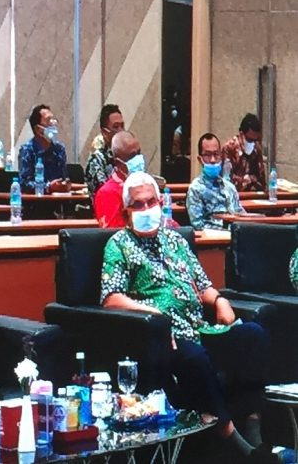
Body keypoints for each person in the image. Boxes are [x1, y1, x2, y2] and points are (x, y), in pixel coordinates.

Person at [101, 171, 276, 463]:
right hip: (163, 337)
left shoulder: (176, 240)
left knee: (254, 335)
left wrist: (219, 300)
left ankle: (253, 423)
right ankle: (232, 439)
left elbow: (203, 285)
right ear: (126, 212)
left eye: (150, 202)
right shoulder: (119, 244)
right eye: (138, 205)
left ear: (161, 203)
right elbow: (111, 298)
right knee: (194, 357)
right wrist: (154, 313)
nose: (146, 209)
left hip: (198, 327)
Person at [187, 133, 245, 231]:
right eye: (208, 155)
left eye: (216, 154)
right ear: (200, 159)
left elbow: (240, 214)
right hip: (213, 237)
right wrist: (225, 232)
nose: (213, 160)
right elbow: (197, 224)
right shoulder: (195, 189)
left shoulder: (230, 187)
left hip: (236, 235)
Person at [93, 131, 145, 228]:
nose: (139, 159)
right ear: (118, 163)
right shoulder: (107, 193)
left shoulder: (146, 184)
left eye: (139, 153)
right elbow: (113, 232)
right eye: (132, 156)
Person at [18, 104, 71, 194]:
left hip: (59, 199)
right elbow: (24, 184)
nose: (52, 123)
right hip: (36, 200)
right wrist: (48, 187)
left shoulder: (59, 149)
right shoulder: (27, 150)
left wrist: (65, 184)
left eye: (53, 120)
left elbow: (64, 178)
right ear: (38, 129)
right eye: (48, 120)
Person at [85, 104, 125, 201]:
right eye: (116, 127)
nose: (121, 131)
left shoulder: (127, 157)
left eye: (122, 126)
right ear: (104, 133)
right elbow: (106, 193)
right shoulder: (96, 160)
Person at [222, 113, 266, 192]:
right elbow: (225, 177)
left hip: (252, 194)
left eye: (255, 140)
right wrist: (243, 180)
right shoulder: (229, 148)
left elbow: (261, 178)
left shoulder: (256, 148)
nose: (252, 143)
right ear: (241, 134)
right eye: (250, 139)